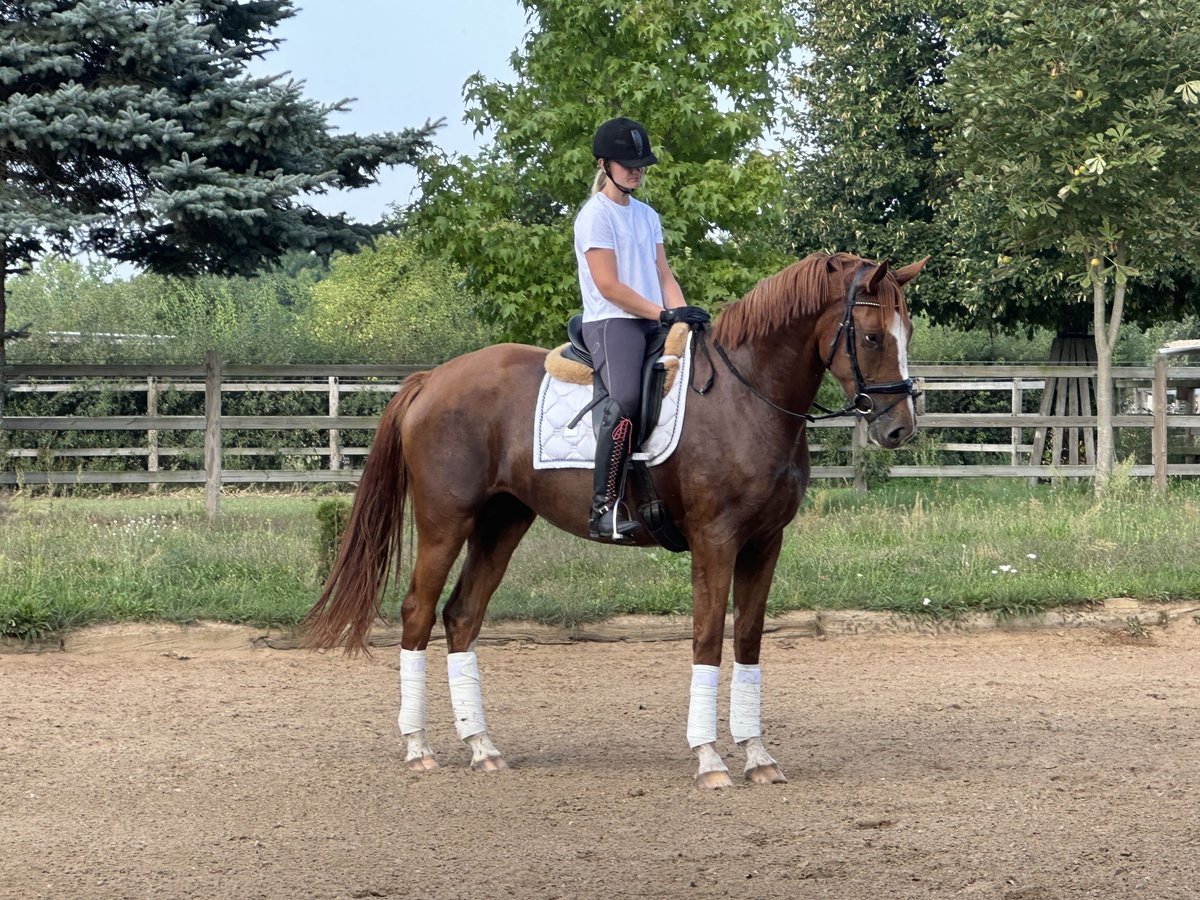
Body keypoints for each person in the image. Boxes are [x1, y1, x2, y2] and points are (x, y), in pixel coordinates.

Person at [574, 116, 710, 542]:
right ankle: (603, 510)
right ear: (604, 164)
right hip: (612, 322)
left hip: (654, 318)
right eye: (627, 163)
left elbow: (663, 273)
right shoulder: (595, 216)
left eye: (640, 163)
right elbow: (609, 285)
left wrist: (683, 313)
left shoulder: (647, 215)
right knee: (627, 398)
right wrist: (662, 315)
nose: (636, 170)